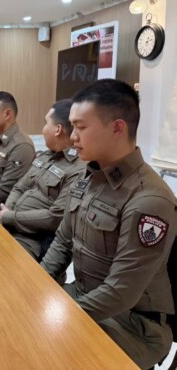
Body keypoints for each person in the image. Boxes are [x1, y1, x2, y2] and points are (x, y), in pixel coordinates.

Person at [41, 79, 176, 369]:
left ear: (117, 128)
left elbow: (121, 292)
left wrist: (61, 316)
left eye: (81, 127)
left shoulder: (149, 200)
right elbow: (63, 241)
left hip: (132, 324)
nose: (72, 136)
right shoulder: (87, 178)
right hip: (84, 298)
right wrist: (36, 287)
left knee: (43, 352)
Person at [0, 99, 85, 260]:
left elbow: (54, 218)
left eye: (45, 123)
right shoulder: (45, 157)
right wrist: (6, 213)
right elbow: (19, 187)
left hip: (32, 240)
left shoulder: (77, 169)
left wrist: (9, 217)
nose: (43, 129)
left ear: (58, 129)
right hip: (9, 224)